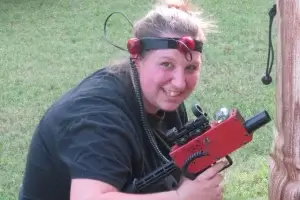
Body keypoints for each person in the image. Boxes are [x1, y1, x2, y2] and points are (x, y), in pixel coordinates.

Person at [18, 0, 227, 200]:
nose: (180, 83)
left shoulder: (161, 98)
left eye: (191, 67)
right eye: (166, 64)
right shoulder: (98, 117)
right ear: (137, 58)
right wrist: (181, 197)